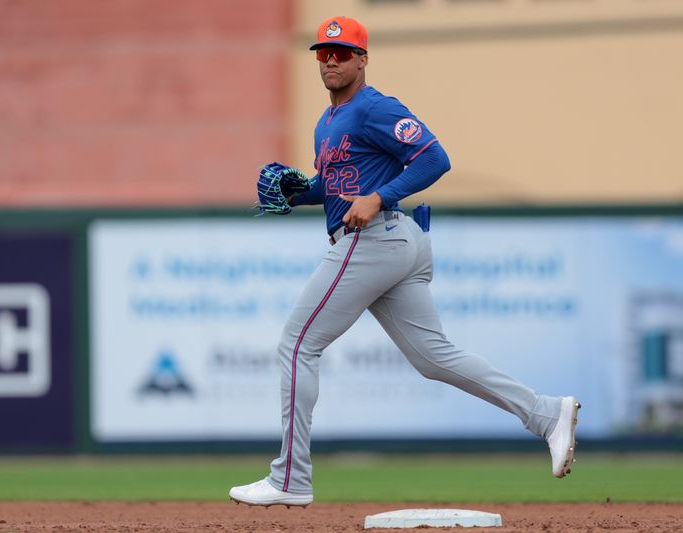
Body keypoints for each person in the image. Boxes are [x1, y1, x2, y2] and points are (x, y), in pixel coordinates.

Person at [229, 16, 580, 508]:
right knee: (434, 357)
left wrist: (378, 196)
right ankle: (545, 414)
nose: (331, 61)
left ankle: (290, 478)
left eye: (343, 52)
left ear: (363, 58)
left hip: (376, 238)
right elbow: (336, 189)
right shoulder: (327, 121)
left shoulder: (375, 107)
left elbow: (435, 158)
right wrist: (302, 193)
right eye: (323, 53)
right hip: (393, 241)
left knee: (297, 345)